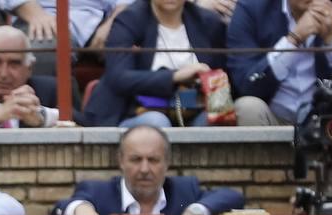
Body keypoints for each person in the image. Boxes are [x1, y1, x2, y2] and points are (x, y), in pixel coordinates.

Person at [227, 0, 332, 127]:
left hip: (327, 121)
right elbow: (246, 85)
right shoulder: (252, 8)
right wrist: (294, 39)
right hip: (272, 115)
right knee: (248, 107)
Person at [82, 0, 227, 128]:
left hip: (194, 109)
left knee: (217, 121)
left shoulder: (208, 22)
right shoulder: (129, 19)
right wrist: (175, 76)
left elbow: (222, 72)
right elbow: (118, 77)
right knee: (157, 123)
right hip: (133, 111)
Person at [51, 124, 244, 215]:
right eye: (136, 159)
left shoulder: (184, 191)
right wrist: (79, 208)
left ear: (167, 163)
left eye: (153, 160)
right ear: (121, 161)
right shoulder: (97, 192)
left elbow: (232, 196)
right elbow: (59, 208)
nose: (144, 169)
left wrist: (197, 210)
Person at [0, 0, 129, 76]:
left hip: (106, 17)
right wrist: (35, 14)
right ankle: (66, 120)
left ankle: (127, 119)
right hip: (42, 14)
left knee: (130, 52)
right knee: (43, 53)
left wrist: (114, 21)